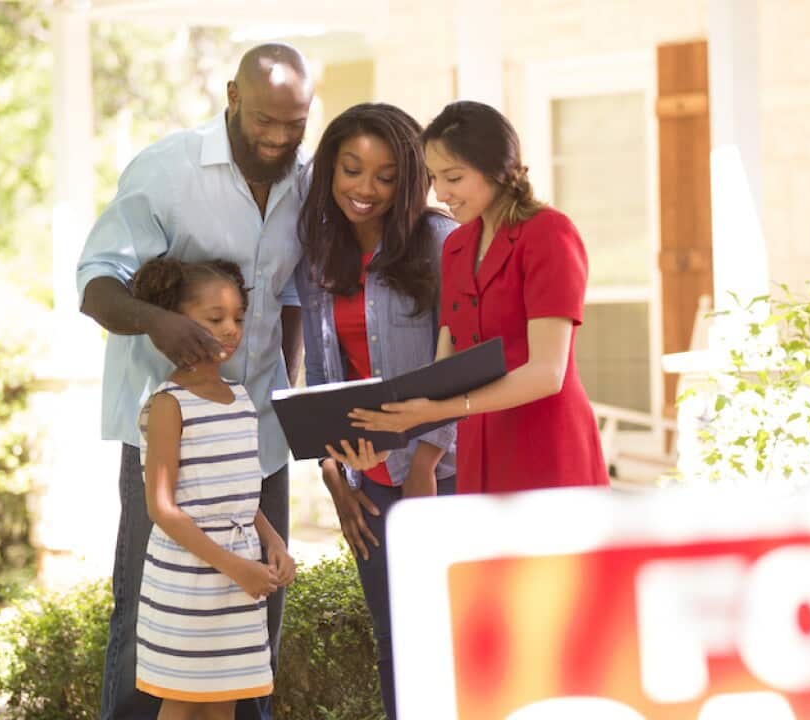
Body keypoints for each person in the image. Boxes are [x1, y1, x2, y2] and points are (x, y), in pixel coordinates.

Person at [76, 43, 313, 720]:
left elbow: (290, 293)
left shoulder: (305, 180)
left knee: (253, 611)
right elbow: (96, 285)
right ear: (232, 98)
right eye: (265, 120)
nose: (278, 138)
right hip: (170, 439)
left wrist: (286, 385)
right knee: (149, 622)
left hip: (257, 433)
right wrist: (158, 322)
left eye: (294, 125)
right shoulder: (167, 170)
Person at [348, 100, 609, 494]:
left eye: (453, 177)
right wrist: (390, 433)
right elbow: (443, 373)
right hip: (479, 453)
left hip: (548, 450)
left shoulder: (549, 234)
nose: (440, 193)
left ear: (496, 169)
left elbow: (547, 373)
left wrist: (440, 410)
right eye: (434, 178)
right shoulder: (456, 247)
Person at [294, 102, 458, 720]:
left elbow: (462, 361)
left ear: (408, 178)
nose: (366, 188)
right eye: (352, 169)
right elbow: (322, 374)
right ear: (330, 170)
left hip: (445, 475)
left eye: (385, 176)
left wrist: (426, 462)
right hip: (368, 482)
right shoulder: (318, 255)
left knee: (450, 636)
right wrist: (335, 478)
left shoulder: (441, 242)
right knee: (396, 641)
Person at [130, 258, 294, 719]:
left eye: (238, 318)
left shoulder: (240, 398)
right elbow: (162, 508)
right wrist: (235, 567)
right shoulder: (169, 404)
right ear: (177, 321)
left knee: (225, 702)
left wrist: (273, 542)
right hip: (188, 583)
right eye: (215, 318)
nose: (230, 330)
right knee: (182, 700)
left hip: (238, 580)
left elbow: (240, 493)